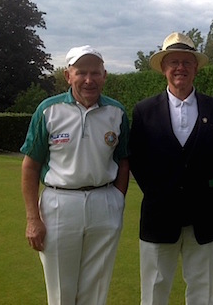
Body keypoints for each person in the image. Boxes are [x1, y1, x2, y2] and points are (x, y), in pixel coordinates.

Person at [20, 45, 130, 305]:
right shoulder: (48, 110)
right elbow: (30, 165)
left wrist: (117, 199)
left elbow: (123, 160)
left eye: (95, 72)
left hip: (104, 201)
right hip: (60, 203)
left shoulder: (117, 112)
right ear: (68, 75)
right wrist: (32, 219)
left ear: (104, 76)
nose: (89, 79)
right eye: (81, 72)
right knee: (61, 290)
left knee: (97, 288)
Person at [129, 32, 213, 305]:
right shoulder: (144, 111)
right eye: (173, 62)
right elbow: (137, 160)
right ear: (164, 68)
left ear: (196, 67)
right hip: (158, 217)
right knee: (154, 290)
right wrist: (160, 193)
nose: (180, 67)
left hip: (204, 216)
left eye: (186, 61)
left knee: (202, 290)